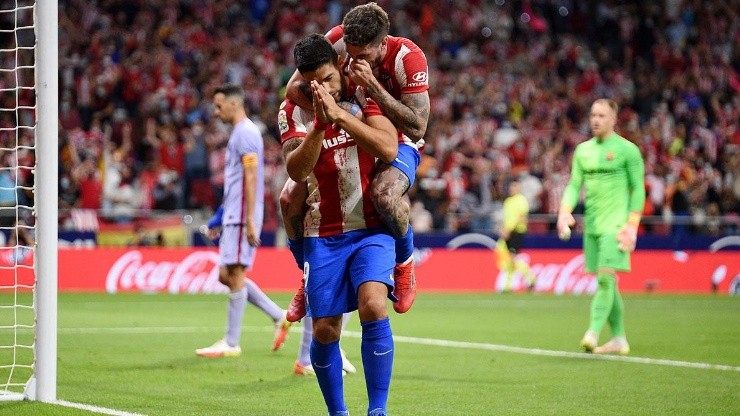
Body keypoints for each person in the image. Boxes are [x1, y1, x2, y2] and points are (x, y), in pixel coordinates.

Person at [282, 2, 430, 320]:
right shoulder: (336, 39)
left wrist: (372, 87)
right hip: (350, 124)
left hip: (399, 136)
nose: (353, 61)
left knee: (384, 195)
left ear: (382, 43)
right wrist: (337, 110)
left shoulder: (408, 57)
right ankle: (306, 275)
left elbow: (418, 126)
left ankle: (404, 265)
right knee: (288, 199)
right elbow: (293, 89)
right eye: (349, 53)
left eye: (363, 56)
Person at [282, 33, 399, 416]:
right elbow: (296, 170)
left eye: (329, 78)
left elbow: (387, 147)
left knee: (373, 305)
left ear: (340, 64)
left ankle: (377, 410)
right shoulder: (293, 109)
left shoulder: (365, 91)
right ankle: (339, 413)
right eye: (313, 83)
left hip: (371, 227)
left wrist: (342, 116)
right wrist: (318, 125)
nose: (324, 88)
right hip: (323, 232)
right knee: (325, 330)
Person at [195, 84, 292, 358]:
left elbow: (251, 178)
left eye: (219, 105)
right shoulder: (239, 133)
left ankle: (231, 341)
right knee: (226, 275)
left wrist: (249, 219)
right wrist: (218, 218)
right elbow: (236, 183)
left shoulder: (247, 132)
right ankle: (278, 315)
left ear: (234, 104)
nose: (216, 111)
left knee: (235, 274)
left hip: (242, 216)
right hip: (233, 214)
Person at [556, 98, 645, 355]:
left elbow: (638, 189)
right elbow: (574, 185)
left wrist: (632, 225)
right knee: (608, 282)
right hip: (592, 226)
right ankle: (619, 338)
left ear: (614, 119)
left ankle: (592, 333)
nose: (596, 120)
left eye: (602, 115)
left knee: (606, 280)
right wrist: (564, 212)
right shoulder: (583, 150)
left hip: (616, 226)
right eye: (593, 114)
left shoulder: (628, 151)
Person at [497, 179, 536, 292]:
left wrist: (509, 229)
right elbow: (506, 217)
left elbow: (521, 217)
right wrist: (503, 229)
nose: (512, 189)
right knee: (509, 259)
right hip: (507, 232)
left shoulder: (521, 200)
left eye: (514, 187)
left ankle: (531, 278)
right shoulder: (508, 201)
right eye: (511, 187)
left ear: (518, 188)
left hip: (517, 231)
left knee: (513, 258)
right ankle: (508, 286)